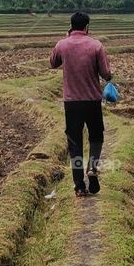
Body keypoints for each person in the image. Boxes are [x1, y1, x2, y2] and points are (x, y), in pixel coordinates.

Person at [50, 11, 112, 196]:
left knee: (75, 142)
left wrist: (65, 39)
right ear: (87, 27)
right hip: (92, 100)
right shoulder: (96, 45)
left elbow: (53, 63)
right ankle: (92, 168)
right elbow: (106, 73)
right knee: (96, 136)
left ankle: (79, 186)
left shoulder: (63, 44)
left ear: (71, 26)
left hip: (72, 103)